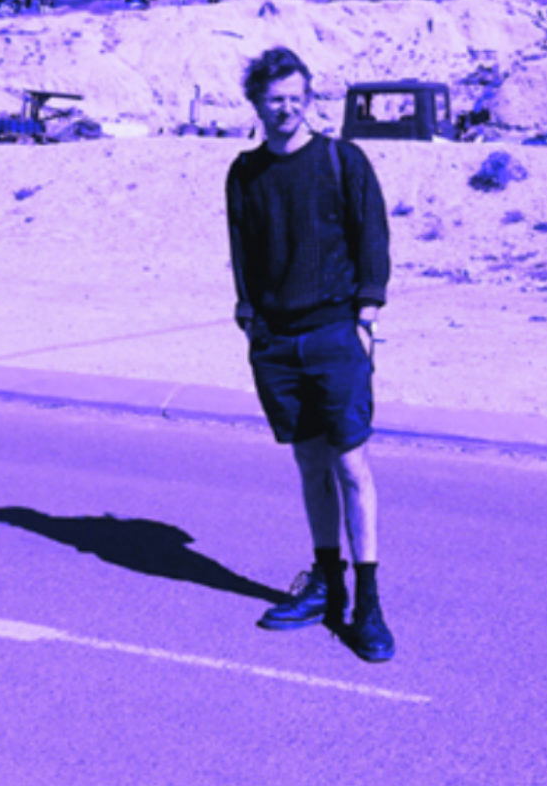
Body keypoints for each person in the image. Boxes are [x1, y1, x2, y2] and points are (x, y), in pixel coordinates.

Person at [225, 46, 395, 663]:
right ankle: (327, 585)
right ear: (257, 103)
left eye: (296, 97)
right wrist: (252, 324)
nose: (287, 108)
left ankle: (367, 605)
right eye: (276, 99)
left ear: (308, 97)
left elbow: (371, 239)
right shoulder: (244, 172)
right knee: (309, 465)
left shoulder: (341, 160)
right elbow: (242, 252)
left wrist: (366, 318)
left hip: (335, 335)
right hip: (276, 342)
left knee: (351, 465)